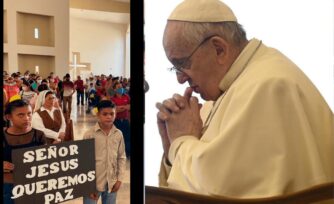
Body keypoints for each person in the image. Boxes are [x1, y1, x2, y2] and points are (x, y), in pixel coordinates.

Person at [155, 0, 334, 200]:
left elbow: (221, 191)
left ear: (219, 49)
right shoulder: (226, 89)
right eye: (175, 69)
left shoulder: (267, 86)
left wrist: (181, 142)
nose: (181, 79)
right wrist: (170, 148)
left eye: (182, 64)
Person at [82, 100, 126, 204]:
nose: (109, 117)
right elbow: (84, 161)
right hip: (93, 184)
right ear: (98, 115)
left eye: (112, 114)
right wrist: (87, 185)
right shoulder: (89, 134)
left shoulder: (118, 134)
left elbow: (121, 157)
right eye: (105, 114)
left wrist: (119, 179)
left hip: (111, 183)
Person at [3, 100, 47, 204]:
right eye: (20, 115)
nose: (26, 118)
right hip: (8, 187)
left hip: (33, 185)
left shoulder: (39, 135)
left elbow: (46, 162)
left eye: (29, 114)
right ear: (9, 117)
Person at [111, 82, 131, 159]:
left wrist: (119, 108)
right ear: (115, 89)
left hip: (125, 121)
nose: (121, 88)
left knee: (127, 138)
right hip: (116, 121)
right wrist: (124, 107)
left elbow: (129, 107)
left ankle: (127, 153)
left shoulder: (127, 97)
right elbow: (114, 110)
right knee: (116, 139)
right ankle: (117, 154)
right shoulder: (112, 99)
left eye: (121, 87)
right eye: (118, 87)